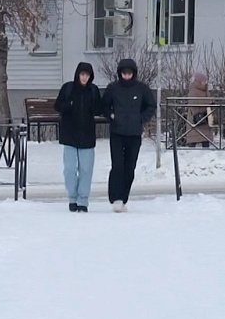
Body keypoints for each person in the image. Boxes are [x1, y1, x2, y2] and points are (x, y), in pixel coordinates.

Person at [101, 58, 156, 213]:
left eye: (129, 73)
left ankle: (124, 197)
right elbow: (104, 105)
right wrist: (111, 115)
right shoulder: (113, 88)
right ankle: (116, 197)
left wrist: (141, 118)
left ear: (134, 73)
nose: (126, 75)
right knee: (117, 166)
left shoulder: (142, 89)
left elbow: (150, 105)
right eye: (124, 73)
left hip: (134, 133)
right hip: (117, 132)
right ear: (120, 73)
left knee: (130, 167)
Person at [54, 62, 102, 213]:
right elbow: (57, 105)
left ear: (90, 76)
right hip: (69, 134)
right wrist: (69, 104)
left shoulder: (93, 90)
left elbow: (99, 108)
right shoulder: (68, 88)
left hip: (87, 135)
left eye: (87, 75)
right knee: (69, 169)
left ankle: (83, 200)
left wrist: (96, 108)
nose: (84, 77)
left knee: (86, 169)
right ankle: (72, 198)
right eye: (82, 74)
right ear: (77, 75)